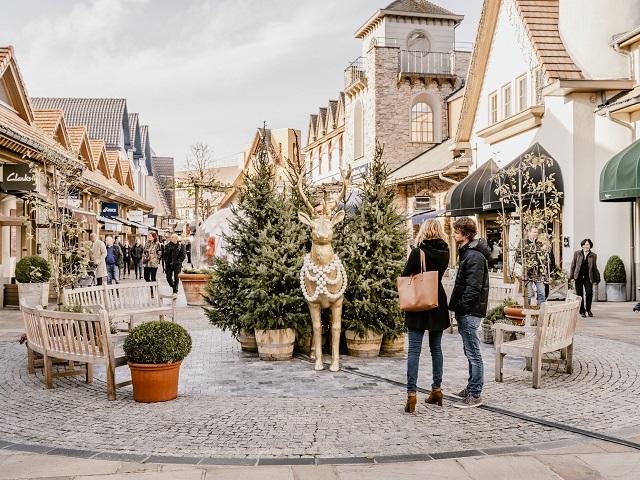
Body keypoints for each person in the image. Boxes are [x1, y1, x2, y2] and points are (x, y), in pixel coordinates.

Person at [401, 219, 450, 413]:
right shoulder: (445, 252)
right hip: (437, 302)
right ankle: (436, 389)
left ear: (423, 231)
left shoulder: (417, 252)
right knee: (436, 349)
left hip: (418, 303)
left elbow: (405, 276)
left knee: (414, 350)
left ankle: (411, 394)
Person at [448, 216, 490, 409]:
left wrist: (462, 308)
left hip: (470, 312)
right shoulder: (468, 252)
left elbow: (473, 287)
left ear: (464, 234)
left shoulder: (474, 256)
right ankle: (471, 386)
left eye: (456, 232)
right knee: (469, 351)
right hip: (467, 311)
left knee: (473, 353)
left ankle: (475, 394)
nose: (453, 234)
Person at [569, 238, 599, 318]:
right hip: (578, 277)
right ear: (582, 245)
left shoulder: (593, 256)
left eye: (587, 245)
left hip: (588, 277)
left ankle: (588, 310)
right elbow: (573, 265)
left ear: (590, 246)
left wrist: (595, 279)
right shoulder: (577, 253)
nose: (586, 246)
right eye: (584, 244)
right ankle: (582, 311)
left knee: (589, 293)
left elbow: (594, 268)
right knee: (580, 294)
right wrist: (571, 277)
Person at [522, 225, 546, 306]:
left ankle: (540, 312)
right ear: (529, 232)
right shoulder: (523, 243)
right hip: (527, 273)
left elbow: (543, 257)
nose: (536, 234)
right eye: (534, 232)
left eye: (537, 232)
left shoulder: (539, 244)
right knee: (528, 295)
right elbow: (517, 256)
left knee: (541, 293)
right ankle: (527, 313)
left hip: (538, 272)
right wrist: (526, 264)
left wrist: (543, 265)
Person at [143, 232, 163, 297]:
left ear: (154, 237)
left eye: (151, 236)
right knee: (146, 277)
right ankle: (151, 286)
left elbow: (160, 253)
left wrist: (156, 259)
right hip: (147, 263)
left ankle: (152, 290)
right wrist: (144, 256)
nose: (149, 237)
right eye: (149, 236)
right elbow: (144, 251)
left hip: (153, 263)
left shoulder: (157, 244)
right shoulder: (147, 243)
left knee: (153, 277)